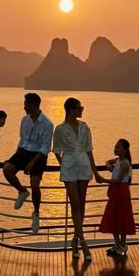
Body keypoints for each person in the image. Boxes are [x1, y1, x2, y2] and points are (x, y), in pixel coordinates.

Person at [53, 97, 98, 262]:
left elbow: (89, 150)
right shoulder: (60, 129)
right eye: (80, 108)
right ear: (71, 109)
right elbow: (56, 150)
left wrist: (96, 172)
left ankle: (75, 240)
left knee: (82, 205)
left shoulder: (85, 127)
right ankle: (83, 243)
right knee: (75, 205)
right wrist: (64, 164)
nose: (82, 110)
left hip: (84, 167)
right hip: (70, 168)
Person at [3, 93, 54, 233]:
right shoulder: (24, 120)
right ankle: (22, 191)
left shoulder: (47, 124)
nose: (24, 107)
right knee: (7, 169)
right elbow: (22, 140)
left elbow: (45, 147)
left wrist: (32, 163)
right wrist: (15, 156)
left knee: (35, 184)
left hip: (39, 154)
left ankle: (36, 213)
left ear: (33, 105)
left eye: (26, 104)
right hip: (24, 151)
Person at [97, 138, 136, 256]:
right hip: (115, 190)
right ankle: (117, 243)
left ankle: (123, 244)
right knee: (113, 216)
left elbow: (119, 180)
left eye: (118, 147)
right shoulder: (119, 160)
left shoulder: (125, 163)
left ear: (124, 150)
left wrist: (104, 180)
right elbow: (108, 161)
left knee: (122, 216)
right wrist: (109, 165)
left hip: (121, 191)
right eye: (115, 146)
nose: (115, 149)